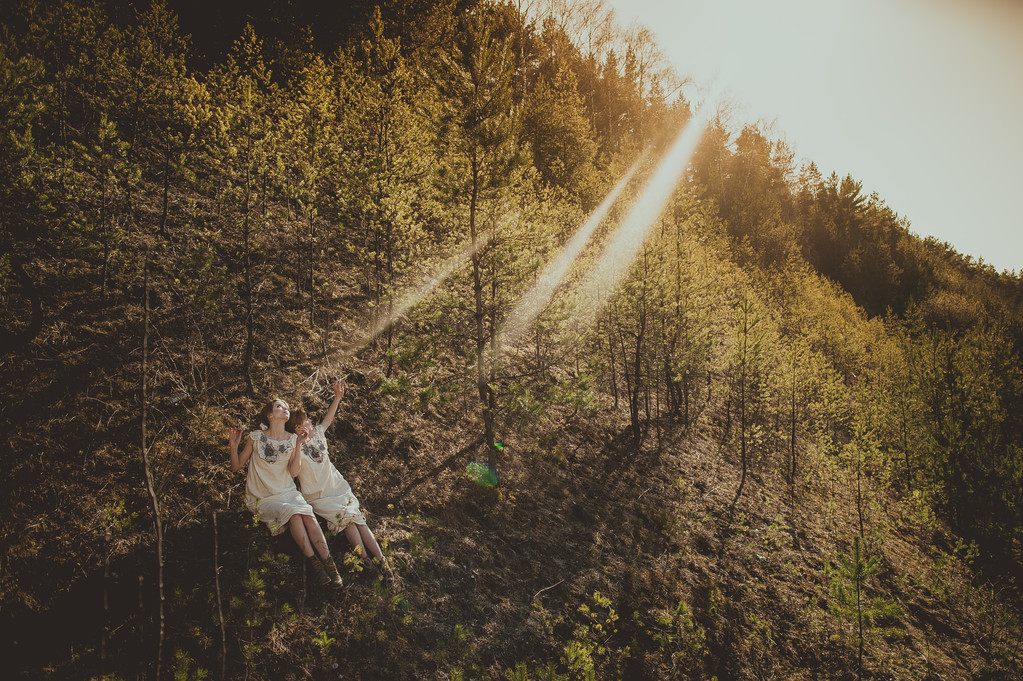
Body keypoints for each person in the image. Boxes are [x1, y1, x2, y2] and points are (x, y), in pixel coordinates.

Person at [228, 398, 344, 588]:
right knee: (295, 515)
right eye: (279, 406)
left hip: (287, 491)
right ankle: (315, 565)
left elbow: (293, 473)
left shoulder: (292, 439)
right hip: (263, 496)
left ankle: (331, 567)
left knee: (309, 516)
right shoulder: (256, 437)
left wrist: (298, 445)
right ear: (269, 414)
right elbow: (236, 467)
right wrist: (233, 447)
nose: (285, 409)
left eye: (287, 407)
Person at [287, 379, 389, 575]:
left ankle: (383, 562)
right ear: (297, 428)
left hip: (337, 486)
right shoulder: (292, 445)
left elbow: (327, 420)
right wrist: (298, 444)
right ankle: (366, 562)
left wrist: (338, 397)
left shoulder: (317, 434)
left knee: (357, 520)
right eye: (306, 421)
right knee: (346, 521)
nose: (310, 422)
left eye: (309, 420)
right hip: (318, 494)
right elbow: (293, 473)